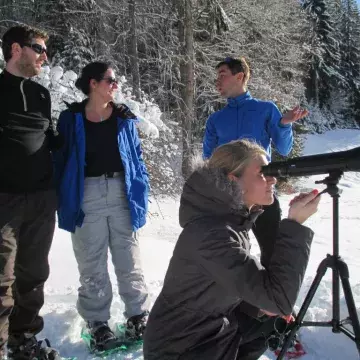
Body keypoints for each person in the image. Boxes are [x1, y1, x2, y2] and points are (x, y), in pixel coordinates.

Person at [143, 139, 320, 360]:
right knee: (275, 309)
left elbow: (231, 284)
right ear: (233, 180)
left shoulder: (229, 220)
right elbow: (279, 301)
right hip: (182, 348)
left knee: (273, 320)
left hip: (207, 330)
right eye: (263, 173)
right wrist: (294, 224)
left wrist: (260, 306)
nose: (273, 179)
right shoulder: (212, 233)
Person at [53, 61, 150, 351]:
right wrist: (63, 196)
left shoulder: (124, 118)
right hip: (87, 194)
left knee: (128, 258)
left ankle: (137, 316)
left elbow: (137, 158)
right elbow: (60, 160)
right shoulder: (71, 119)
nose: (115, 85)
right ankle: (98, 323)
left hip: (122, 192)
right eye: (110, 80)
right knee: (91, 262)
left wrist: (140, 191)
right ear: (93, 83)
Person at [203, 56, 309, 269]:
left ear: (239, 76)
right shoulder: (215, 120)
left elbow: (284, 149)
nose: (217, 81)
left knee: (272, 255)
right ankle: (233, 302)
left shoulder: (266, 109)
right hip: (228, 198)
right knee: (227, 257)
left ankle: (270, 300)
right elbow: (208, 160)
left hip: (262, 196)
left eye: (222, 75)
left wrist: (285, 125)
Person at [0, 25, 62, 359]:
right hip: (3, 200)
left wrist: (88, 120)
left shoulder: (41, 95)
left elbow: (50, 139)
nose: (44, 56)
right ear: (15, 49)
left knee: (34, 274)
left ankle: (22, 339)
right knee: (1, 280)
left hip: (41, 199)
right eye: (38, 48)